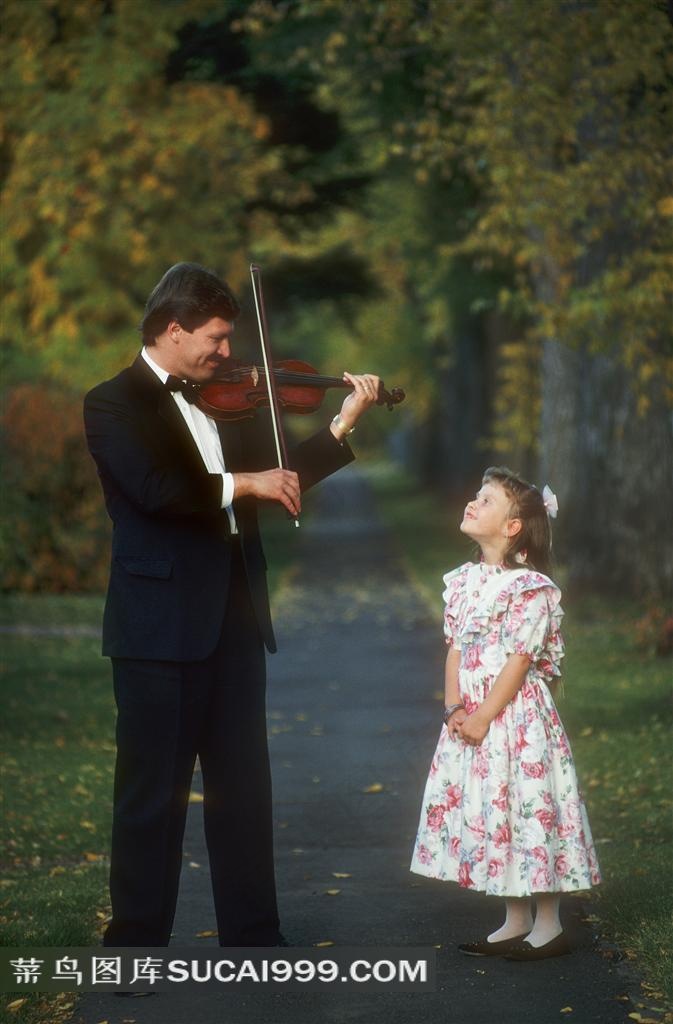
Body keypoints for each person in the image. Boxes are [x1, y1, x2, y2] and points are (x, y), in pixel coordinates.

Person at [84, 261, 381, 947]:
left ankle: (252, 934)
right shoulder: (111, 403)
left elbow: (282, 477)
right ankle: (135, 944)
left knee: (244, 790)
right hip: (157, 630)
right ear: (172, 328)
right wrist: (248, 480)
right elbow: (161, 490)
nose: (226, 354)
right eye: (215, 339)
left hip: (236, 619)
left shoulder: (226, 396)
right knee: (150, 798)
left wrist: (340, 426)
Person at [410, 466, 601, 961]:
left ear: (513, 526)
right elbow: (454, 647)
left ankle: (550, 923)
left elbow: (519, 661)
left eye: (487, 500)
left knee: (528, 805)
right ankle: (515, 919)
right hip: (471, 715)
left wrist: (483, 716)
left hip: (513, 719)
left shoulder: (530, 588)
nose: (473, 503)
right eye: (475, 495)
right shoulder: (464, 581)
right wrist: (454, 707)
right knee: (496, 810)